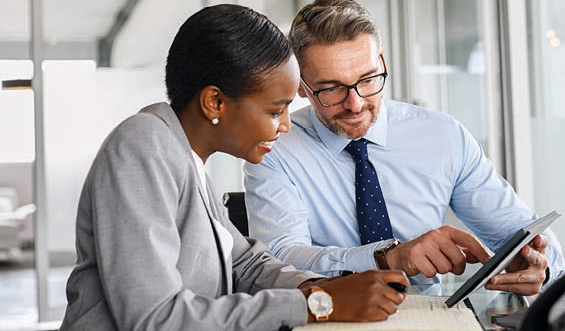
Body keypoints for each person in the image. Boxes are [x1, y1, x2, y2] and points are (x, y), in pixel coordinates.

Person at [59, 4, 411, 331]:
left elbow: (246, 265)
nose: (286, 124)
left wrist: (328, 286)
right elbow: (155, 318)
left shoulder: (187, 158)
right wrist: (317, 302)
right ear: (215, 102)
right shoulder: (144, 146)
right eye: (275, 111)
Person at [244, 0, 564, 296]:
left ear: (382, 60)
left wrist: (540, 263)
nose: (355, 104)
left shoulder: (442, 135)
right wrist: (387, 259)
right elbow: (280, 261)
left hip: (437, 317)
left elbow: (524, 234)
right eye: (331, 89)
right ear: (301, 84)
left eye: (368, 79)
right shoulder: (274, 148)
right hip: (330, 319)